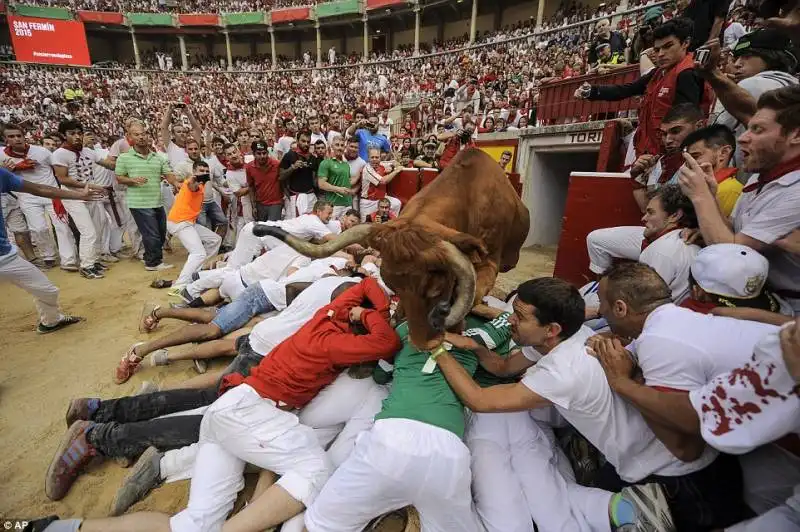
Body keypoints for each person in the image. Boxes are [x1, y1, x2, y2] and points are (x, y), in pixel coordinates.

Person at [40, 277, 401, 532]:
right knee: (316, 470)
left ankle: (62, 527)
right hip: (253, 408)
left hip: (246, 399)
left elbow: (362, 287)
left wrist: (365, 307)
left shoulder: (334, 302)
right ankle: (108, 436)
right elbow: (385, 345)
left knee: (198, 512)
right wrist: (372, 316)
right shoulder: (335, 341)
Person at [431, 277, 694, 531]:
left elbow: (479, 401)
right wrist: (476, 347)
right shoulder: (572, 335)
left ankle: (632, 507)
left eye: (520, 317)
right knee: (550, 488)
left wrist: (437, 350)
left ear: (552, 329)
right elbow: (503, 367)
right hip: (642, 446)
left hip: (650, 467)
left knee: (547, 500)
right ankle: (620, 506)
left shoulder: (562, 372)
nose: (510, 320)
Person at [677, 85, 800, 312]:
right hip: (755, 298)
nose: (743, 138)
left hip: (787, 314)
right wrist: (711, 197)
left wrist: (700, 196)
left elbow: (731, 257)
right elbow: (734, 233)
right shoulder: (761, 176)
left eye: (758, 130)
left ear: (796, 135)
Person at [576, 18, 711, 167]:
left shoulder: (687, 73)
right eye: (658, 49)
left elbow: (684, 126)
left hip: (669, 159)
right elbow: (628, 89)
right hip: (651, 154)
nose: (661, 54)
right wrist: (592, 91)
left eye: (668, 46)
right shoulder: (659, 72)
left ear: (685, 43)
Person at [0, 166, 104, 332]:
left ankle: (51, 321)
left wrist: (80, 195)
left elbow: (40, 188)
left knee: (47, 290)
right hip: (6, 255)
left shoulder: (1, 174)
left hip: (5, 256)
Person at [585, 184, 700, 304]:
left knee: (586, 302)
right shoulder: (679, 241)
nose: (644, 218)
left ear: (675, 216)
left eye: (651, 213)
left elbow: (642, 304)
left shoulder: (661, 252)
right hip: (665, 310)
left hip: (653, 315)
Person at [704, 29, 798, 168]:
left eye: (747, 56)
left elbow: (718, 131)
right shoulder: (793, 84)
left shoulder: (753, 84)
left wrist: (718, 79)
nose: (737, 64)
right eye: (737, 57)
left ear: (770, 57)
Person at [1, 123, 75, 271]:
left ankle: (69, 260)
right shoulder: (2, 155)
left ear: (24, 137)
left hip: (50, 193)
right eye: (11, 136)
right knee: (38, 228)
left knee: (62, 226)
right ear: (5, 139)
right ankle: (48, 256)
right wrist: (9, 170)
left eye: (19, 136)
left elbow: (57, 170)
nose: (16, 139)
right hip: (27, 197)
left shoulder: (42, 152)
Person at [51, 119, 117, 279]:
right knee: (88, 231)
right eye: (72, 133)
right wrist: (89, 185)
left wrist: (123, 158)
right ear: (63, 135)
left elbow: (109, 164)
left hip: (91, 194)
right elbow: (62, 179)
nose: (77, 136)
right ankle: (87, 266)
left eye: (79, 133)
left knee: (98, 227)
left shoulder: (88, 152)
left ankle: (93, 260)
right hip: (73, 196)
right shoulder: (59, 154)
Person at [115, 121, 178, 272]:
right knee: (152, 234)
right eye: (136, 134)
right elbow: (119, 177)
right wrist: (132, 180)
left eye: (143, 134)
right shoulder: (124, 158)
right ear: (129, 137)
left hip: (156, 201)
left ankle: (151, 258)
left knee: (161, 232)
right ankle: (153, 263)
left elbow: (169, 174)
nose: (141, 137)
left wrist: (176, 183)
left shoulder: (157, 158)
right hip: (139, 203)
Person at [166, 160, 222, 289]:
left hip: (188, 222)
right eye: (201, 171)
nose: (204, 173)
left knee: (215, 240)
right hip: (180, 222)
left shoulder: (201, 185)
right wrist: (193, 182)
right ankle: (179, 286)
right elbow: (192, 186)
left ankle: (200, 273)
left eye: (206, 171)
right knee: (198, 253)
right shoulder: (192, 183)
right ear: (194, 172)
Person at [680, 124, 742, 217]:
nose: (689, 164)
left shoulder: (730, 190)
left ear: (723, 153)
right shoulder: (698, 188)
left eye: (695, 156)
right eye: (687, 159)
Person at [280, 131, 317, 219]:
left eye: (308, 142)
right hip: (296, 196)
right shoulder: (289, 155)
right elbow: (281, 176)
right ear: (297, 141)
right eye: (303, 141)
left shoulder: (313, 158)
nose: (306, 144)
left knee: (312, 223)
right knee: (297, 226)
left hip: (311, 195)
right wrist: (292, 167)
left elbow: (314, 178)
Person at [359, 148, 402, 222]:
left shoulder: (381, 164)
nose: (375, 159)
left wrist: (391, 167)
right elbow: (383, 181)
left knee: (397, 203)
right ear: (368, 158)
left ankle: (389, 222)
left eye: (377, 157)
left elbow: (395, 163)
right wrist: (396, 171)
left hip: (380, 200)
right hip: (368, 202)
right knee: (366, 227)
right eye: (372, 157)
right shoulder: (367, 169)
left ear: (380, 157)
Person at [317, 136, 355, 219]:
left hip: (348, 204)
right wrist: (339, 189)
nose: (340, 148)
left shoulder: (346, 165)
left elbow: (347, 182)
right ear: (332, 146)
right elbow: (321, 184)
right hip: (334, 205)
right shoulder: (325, 163)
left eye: (342, 145)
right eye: (337, 145)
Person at [246, 140, 282, 222]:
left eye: (264, 153)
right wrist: (254, 206)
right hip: (260, 204)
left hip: (275, 203)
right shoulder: (249, 167)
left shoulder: (276, 165)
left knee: (272, 229)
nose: (262, 156)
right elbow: (251, 187)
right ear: (254, 154)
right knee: (262, 231)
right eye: (259, 153)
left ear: (267, 152)